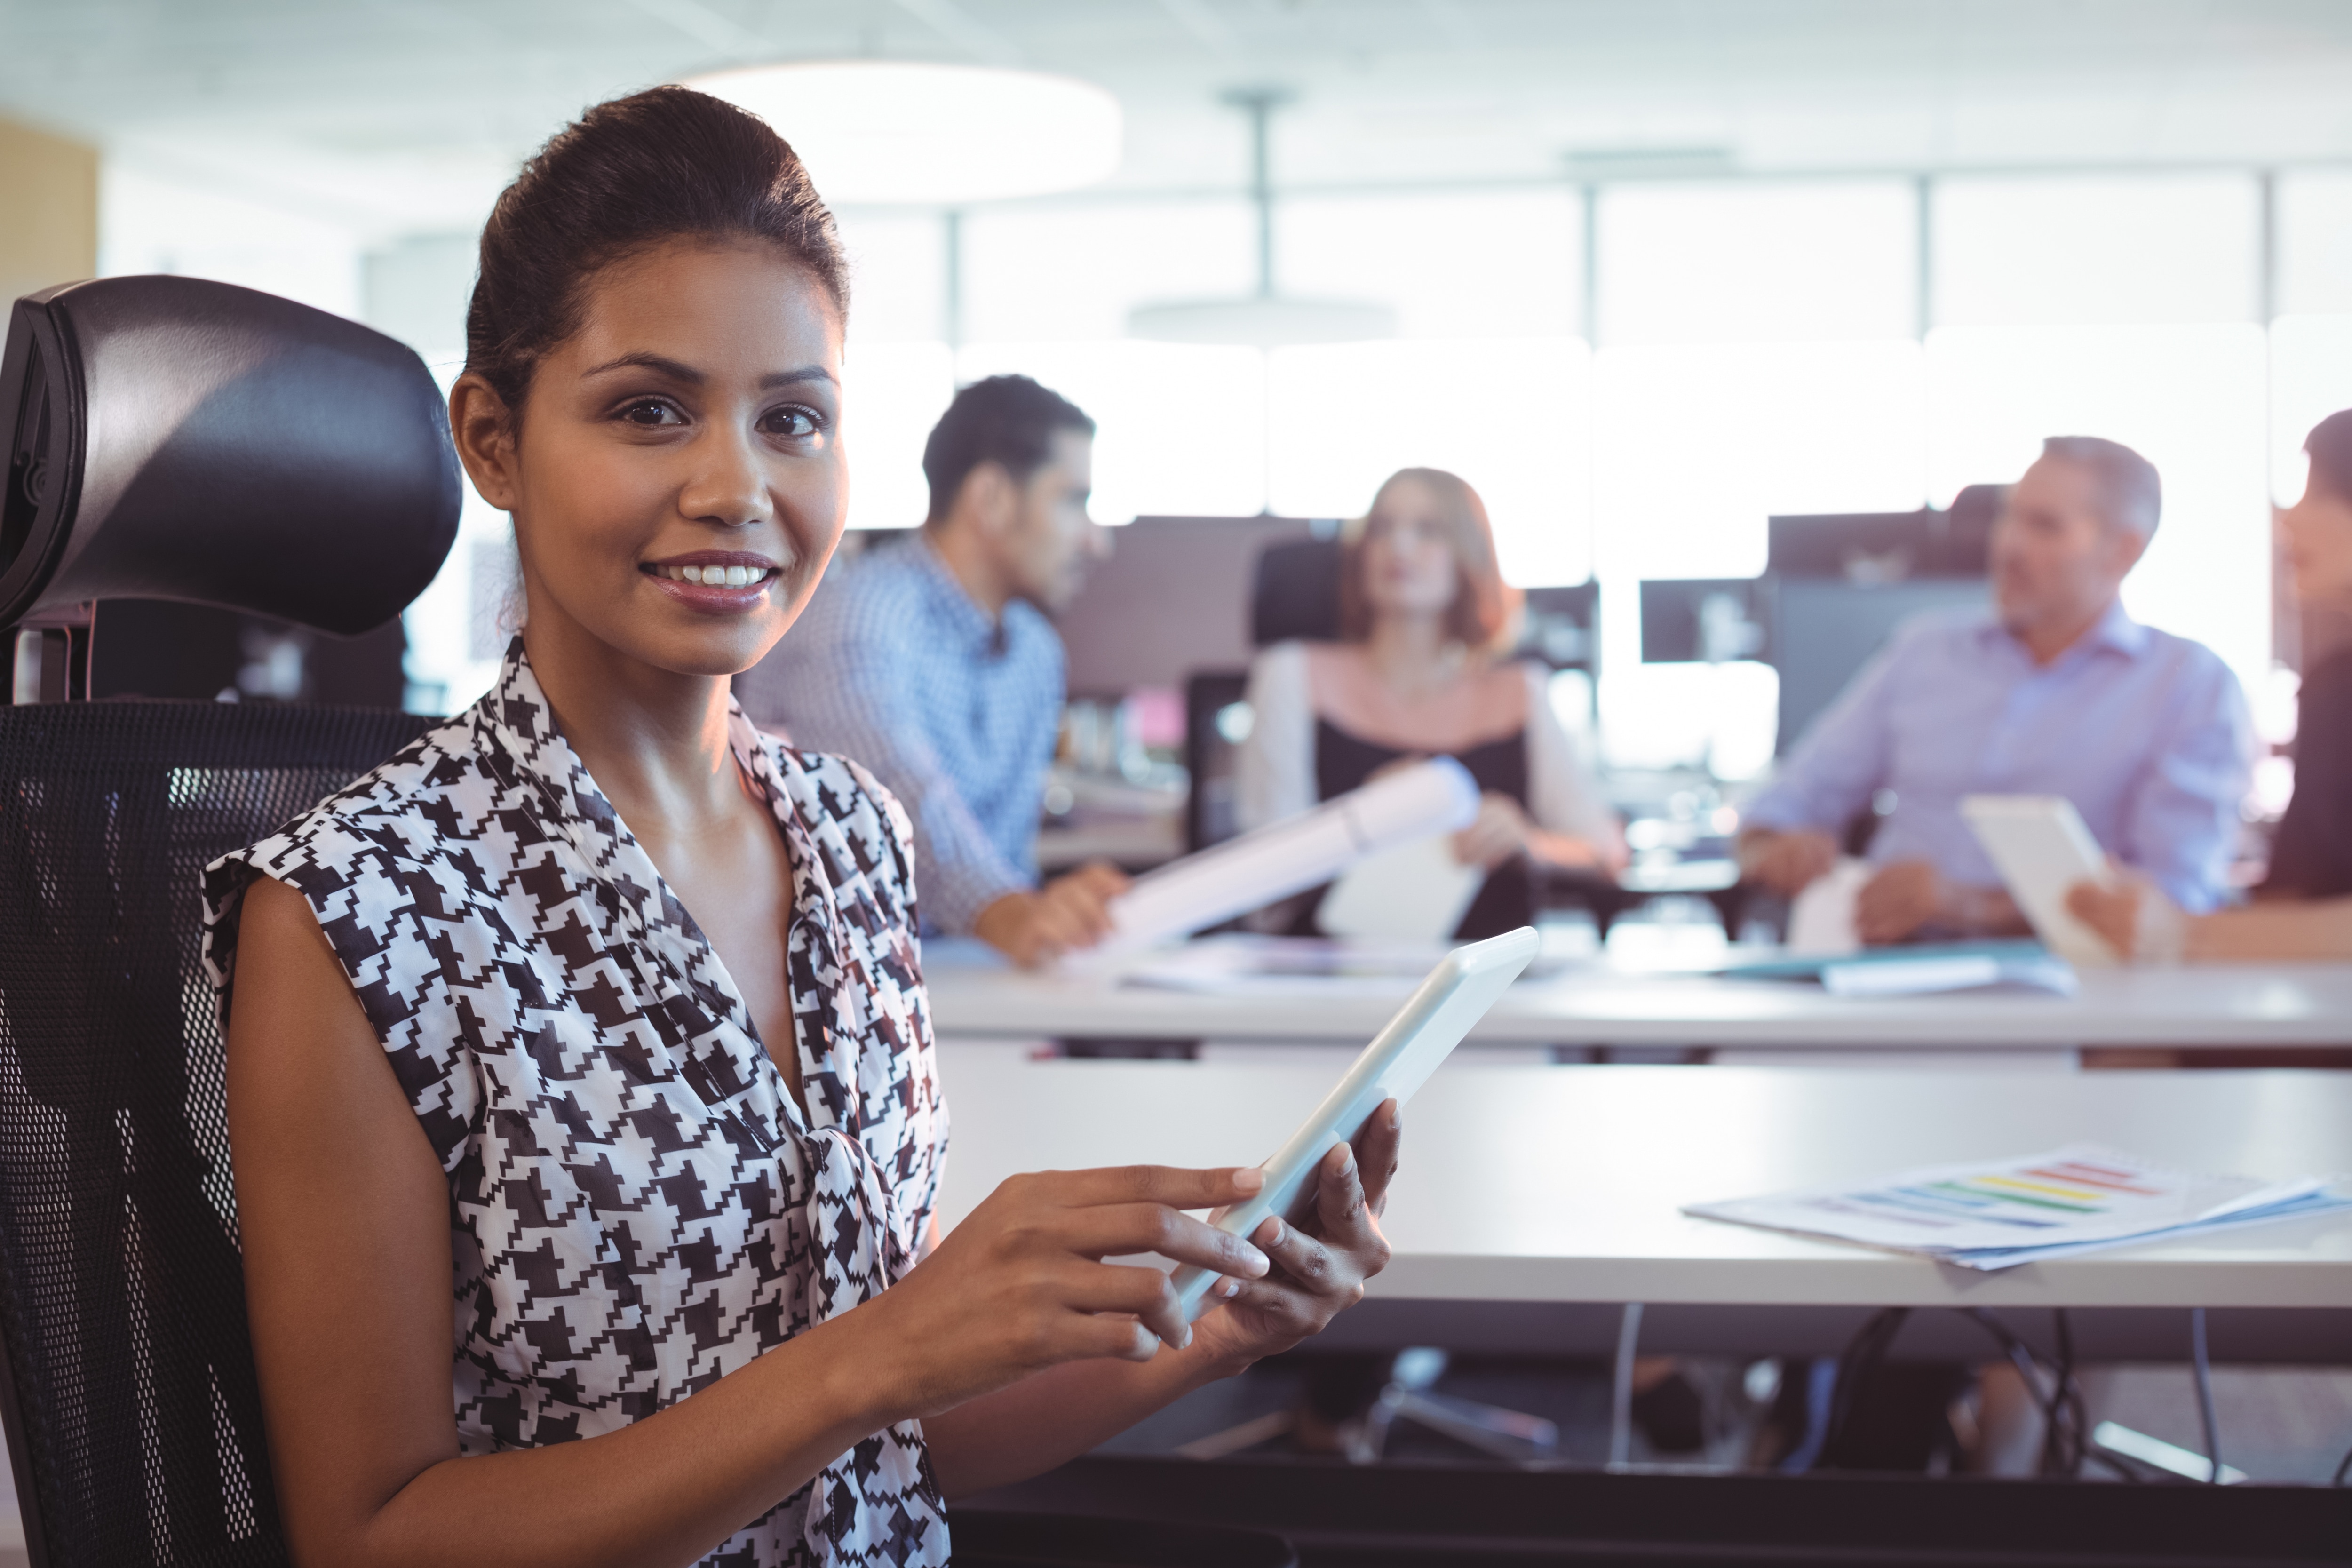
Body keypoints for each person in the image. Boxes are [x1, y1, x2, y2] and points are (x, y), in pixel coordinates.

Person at [209, 88, 1394, 1568]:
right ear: (494, 441)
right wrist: (877, 1354)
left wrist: (1213, 1334)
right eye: (649, 410)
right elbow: (372, 1540)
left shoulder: (847, 834)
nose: (736, 488)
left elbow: (899, 1438)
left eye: (794, 419)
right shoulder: (353, 910)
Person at [1738, 436, 2250, 945]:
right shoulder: (1923, 650)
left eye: (2044, 526)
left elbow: (2174, 898)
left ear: (2121, 550)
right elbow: (1776, 812)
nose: (2008, 546)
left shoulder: (2189, 684)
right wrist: (1779, 848)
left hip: (2070, 992)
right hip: (1883, 972)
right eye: (2008, 518)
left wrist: (1971, 906)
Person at [734, 375, 1126, 969]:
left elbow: (1006, 858)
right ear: (991, 498)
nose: (1098, 543)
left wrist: (1040, 920)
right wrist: (1011, 913)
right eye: (1073, 501)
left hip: (972, 984)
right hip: (829, 987)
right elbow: (895, 795)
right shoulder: (865, 614)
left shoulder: (1035, 653)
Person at [1236, 466, 1622, 939]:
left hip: (1486, 980)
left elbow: (1603, 853)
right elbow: (1264, 880)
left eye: (1427, 530)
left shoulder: (1520, 690)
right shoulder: (1292, 674)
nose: (1399, 547)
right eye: (1382, 529)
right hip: (1333, 976)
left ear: (1467, 555)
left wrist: (1526, 842)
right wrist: (1370, 818)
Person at [2068, 410, 2352, 961]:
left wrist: (2188, 936)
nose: (2284, 521)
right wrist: (2149, 916)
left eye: (2316, 493)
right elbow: (2302, 896)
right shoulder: (2333, 691)